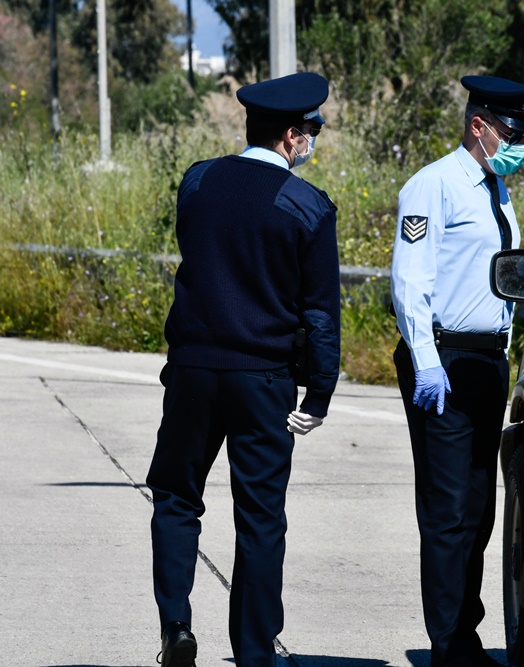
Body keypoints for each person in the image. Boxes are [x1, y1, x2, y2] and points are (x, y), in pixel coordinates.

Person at [146, 71, 341, 667]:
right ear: (290, 135)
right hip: (263, 380)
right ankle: (256, 652)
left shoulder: (198, 181)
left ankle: (176, 627)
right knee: (260, 519)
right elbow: (319, 311)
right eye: (310, 130)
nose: (313, 139)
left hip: (194, 369)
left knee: (176, 498)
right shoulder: (306, 206)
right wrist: (320, 393)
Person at [391, 75, 524, 667]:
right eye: (512, 131)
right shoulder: (434, 185)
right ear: (478, 126)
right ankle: (448, 643)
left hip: (485, 360)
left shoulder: (497, 188)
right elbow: (411, 280)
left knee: (480, 507)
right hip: (444, 361)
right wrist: (426, 360)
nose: (522, 142)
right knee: (448, 510)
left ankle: (465, 632)